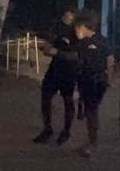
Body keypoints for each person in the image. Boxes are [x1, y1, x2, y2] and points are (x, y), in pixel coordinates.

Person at [33, 9, 80, 145]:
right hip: (55, 68)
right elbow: (49, 48)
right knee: (46, 95)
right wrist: (51, 50)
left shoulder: (77, 33)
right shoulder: (57, 28)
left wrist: (57, 52)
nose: (65, 18)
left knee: (68, 100)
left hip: (69, 71)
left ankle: (66, 131)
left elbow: (75, 55)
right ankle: (47, 129)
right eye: (64, 15)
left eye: (68, 16)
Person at [73, 10, 110, 157]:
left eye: (77, 28)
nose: (76, 31)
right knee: (92, 110)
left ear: (83, 27)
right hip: (99, 80)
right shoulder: (103, 40)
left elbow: (80, 64)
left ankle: (92, 142)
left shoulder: (85, 43)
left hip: (91, 81)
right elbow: (110, 59)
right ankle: (91, 141)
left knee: (91, 111)